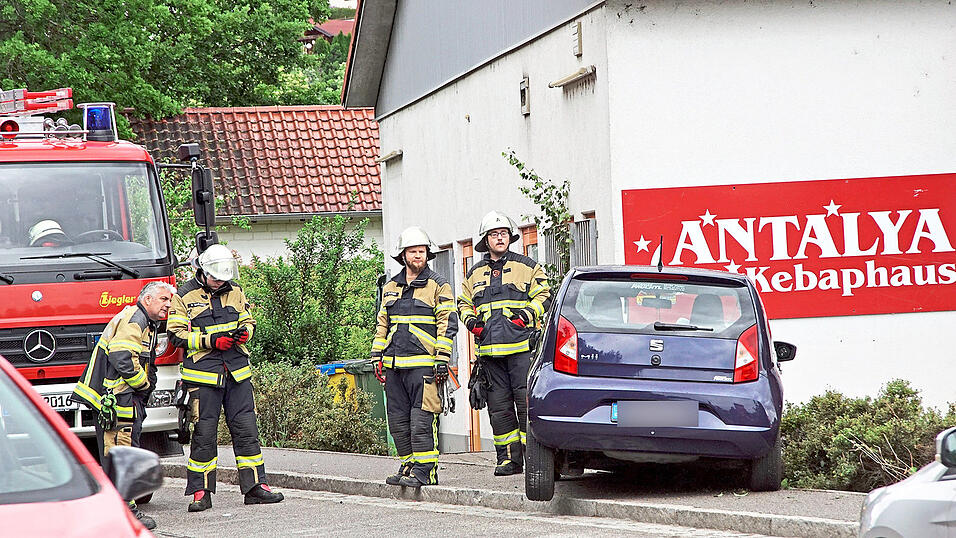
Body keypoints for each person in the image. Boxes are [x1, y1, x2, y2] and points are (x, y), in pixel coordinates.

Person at [166, 244, 284, 512]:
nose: (221, 282)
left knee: (247, 431)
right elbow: (175, 335)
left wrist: (245, 333)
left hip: (237, 372)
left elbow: (248, 320)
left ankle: (256, 487)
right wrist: (209, 340)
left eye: (224, 277)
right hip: (203, 375)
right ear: (203, 271)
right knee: (204, 435)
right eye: (216, 277)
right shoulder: (183, 296)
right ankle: (200, 492)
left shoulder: (236, 291)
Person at [71, 280, 176, 530]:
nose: (168, 305)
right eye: (163, 299)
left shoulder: (145, 321)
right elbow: (122, 358)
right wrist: (144, 385)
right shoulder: (135, 319)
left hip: (122, 399)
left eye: (169, 301)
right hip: (118, 399)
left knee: (121, 452)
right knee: (122, 452)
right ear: (148, 299)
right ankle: (123, 513)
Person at [457, 211, 550, 476]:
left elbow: (544, 295)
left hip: (522, 350)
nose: (500, 238)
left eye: (503, 234)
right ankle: (508, 460)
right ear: (485, 240)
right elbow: (462, 302)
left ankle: (533, 458)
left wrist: (525, 316)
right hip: (489, 354)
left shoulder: (528, 267)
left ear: (510, 237)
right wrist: (472, 323)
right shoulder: (473, 274)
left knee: (526, 405)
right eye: (494, 234)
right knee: (499, 410)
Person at [371, 226, 458, 488]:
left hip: (424, 366)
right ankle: (408, 466)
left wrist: (442, 358)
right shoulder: (390, 286)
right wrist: (377, 355)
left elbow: (447, 322)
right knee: (398, 422)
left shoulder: (438, 285)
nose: (418, 256)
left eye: (421, 251)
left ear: (427, 254)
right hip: (395, 365)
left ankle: (425, 472)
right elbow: (382, 323)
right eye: (413, 251)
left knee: (421, 421)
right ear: (403, 255)